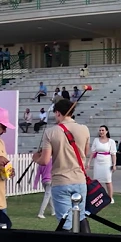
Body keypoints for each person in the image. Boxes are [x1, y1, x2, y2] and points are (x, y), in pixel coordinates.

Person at [35, 99, 90, 230]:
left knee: (66, 222)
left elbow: (44, 160)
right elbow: (85, 153)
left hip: (61, 181)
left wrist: (35, 158)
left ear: (58, 113)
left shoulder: (51, 132)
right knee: (81, 217)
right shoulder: (84, 129)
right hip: (79, 180)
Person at [90, 125, 117, 201]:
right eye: (100, 130)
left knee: (108, 180)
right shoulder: (96, 140)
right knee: (97, 181)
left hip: (107, 162)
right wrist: (89, 162)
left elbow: (113, 154)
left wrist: (114, 164)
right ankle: (98, 197)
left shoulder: (111, 141)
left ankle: (110, 197)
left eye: (103, 130)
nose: (101, 132)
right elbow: (93, 152)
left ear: (106, 131)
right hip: (98, 161)